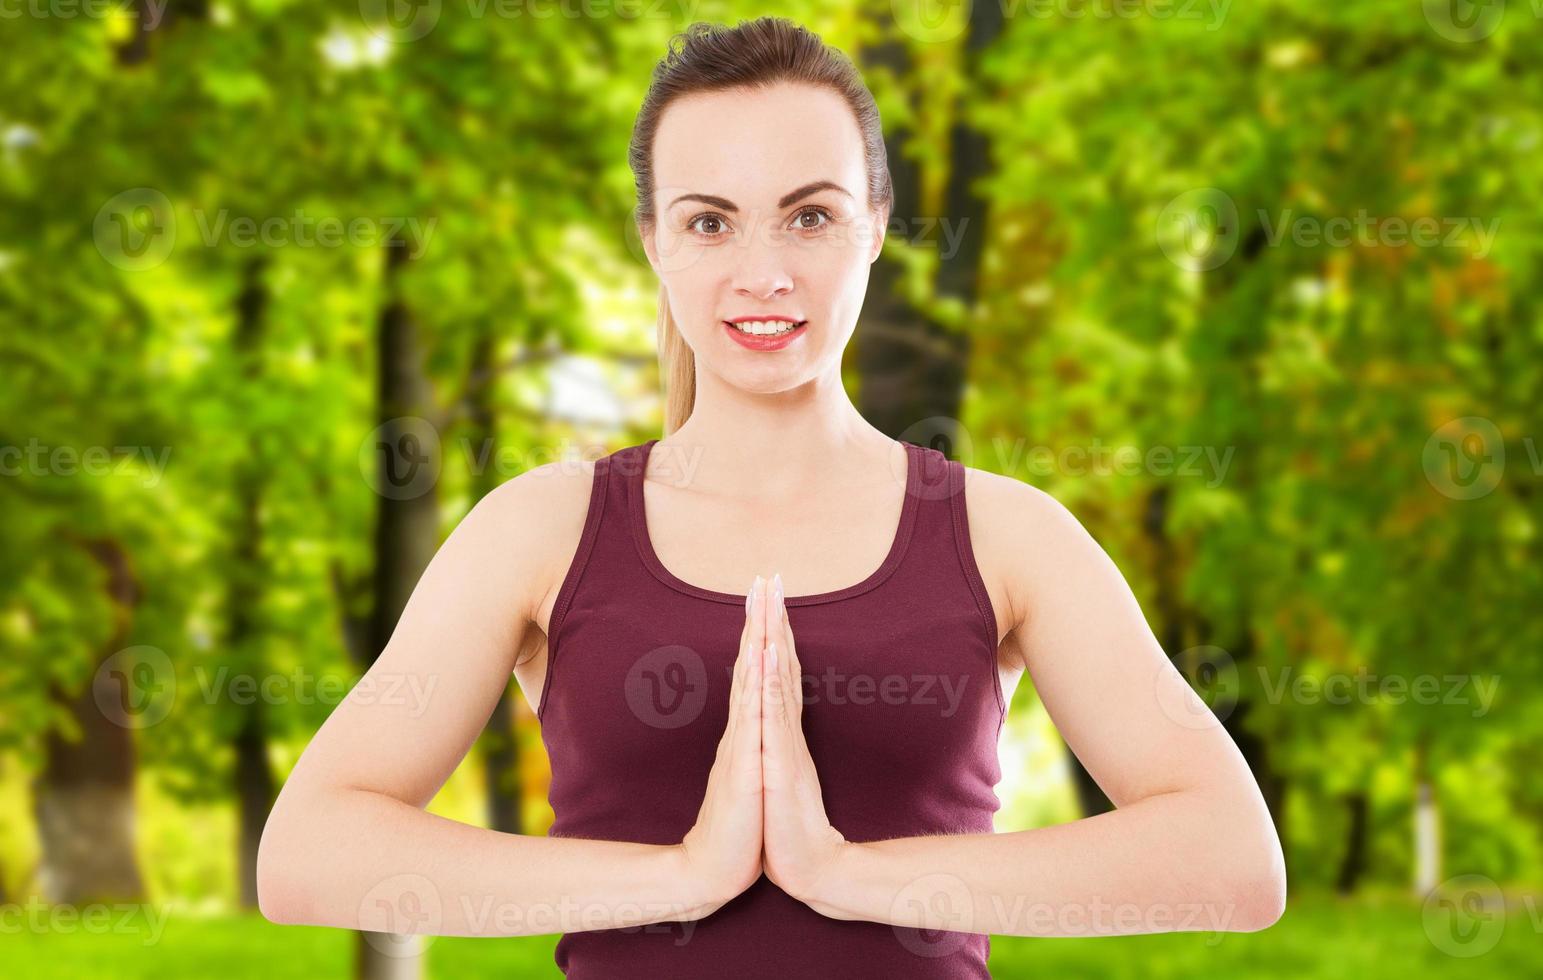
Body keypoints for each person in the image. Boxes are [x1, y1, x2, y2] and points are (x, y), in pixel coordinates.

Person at [257, 16, 1285, 977]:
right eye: (711, 221)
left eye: (809, 216)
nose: (763, 273)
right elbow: (307, 851)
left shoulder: (1005, 535)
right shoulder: (542, 528)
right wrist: (682, 875)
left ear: (876, 226)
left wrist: (841, 870)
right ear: (654, 239)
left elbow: (1230, 858)